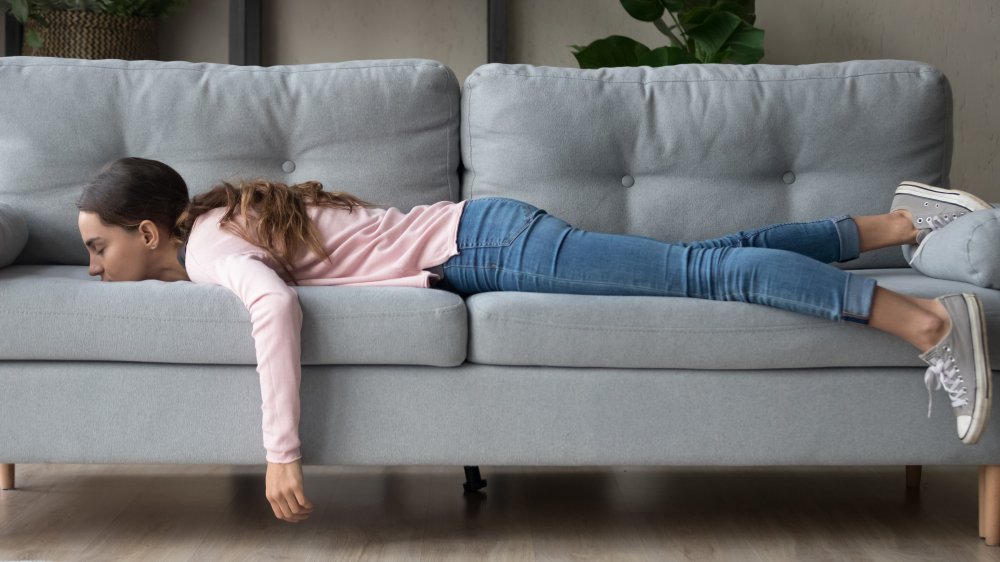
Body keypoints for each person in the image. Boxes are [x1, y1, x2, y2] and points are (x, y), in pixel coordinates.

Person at [76, 156, 994, 523]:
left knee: (700, 277)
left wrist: (282, 453)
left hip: (486, 244)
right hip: (484, 236)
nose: (91, 266)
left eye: (97, 247)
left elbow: (274, 309)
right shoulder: (209, 227)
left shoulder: (205, 250)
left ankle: (930, 324)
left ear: (149, 232)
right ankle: (899, 226)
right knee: (695, 258)